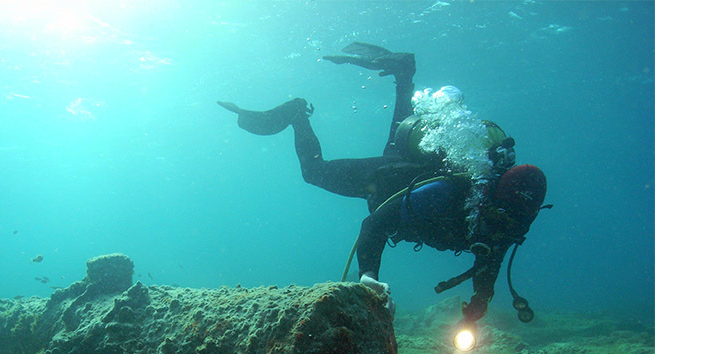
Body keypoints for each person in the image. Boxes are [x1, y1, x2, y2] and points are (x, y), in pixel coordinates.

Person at [218, 43, 549, 325]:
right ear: (490, 197)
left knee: (397, 142)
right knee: (314, 173)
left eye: (512, 220)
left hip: (404, 167)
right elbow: (375, 223)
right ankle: (296, 113)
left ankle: (404, 73)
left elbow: (492, 258)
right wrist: (368, 277)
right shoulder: (451, 195)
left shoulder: (508, 219)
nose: (502, 225)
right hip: (386, 182)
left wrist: (481, 297)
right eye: (500, 216)